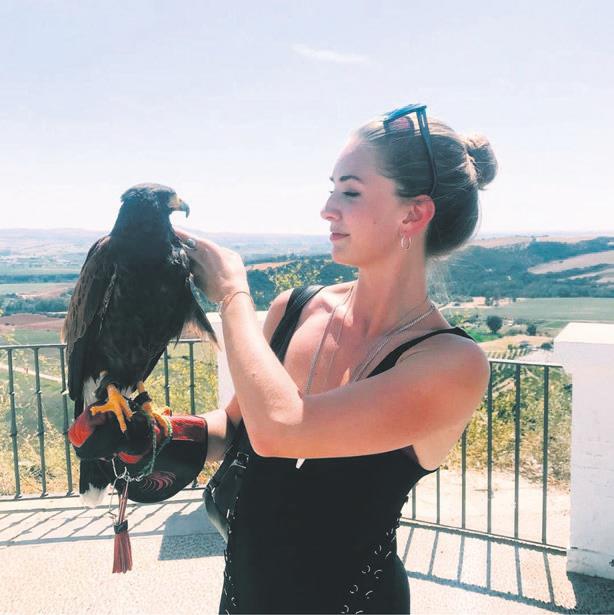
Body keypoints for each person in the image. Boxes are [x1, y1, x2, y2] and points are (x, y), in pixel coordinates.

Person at [180, 103, 497, 614]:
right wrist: (159, 436)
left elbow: (281, 430)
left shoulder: (450, 364)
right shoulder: (295, 309)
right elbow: (237, 426)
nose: (328, 209)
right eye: (331, 189)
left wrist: (233, 296)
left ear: (413, 214)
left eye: (350, 192)